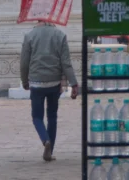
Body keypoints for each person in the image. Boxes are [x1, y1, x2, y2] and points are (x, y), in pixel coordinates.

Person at [20, 21, 79, 162]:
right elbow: (66, 63)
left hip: (36, 83)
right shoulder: (60, 35)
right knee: (52, 116)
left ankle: (45, 139)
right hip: (54, 83)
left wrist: (24, 81)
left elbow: (24, 63)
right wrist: (74, 83)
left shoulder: (29, 36)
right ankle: (50, 151)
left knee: (37, 117)